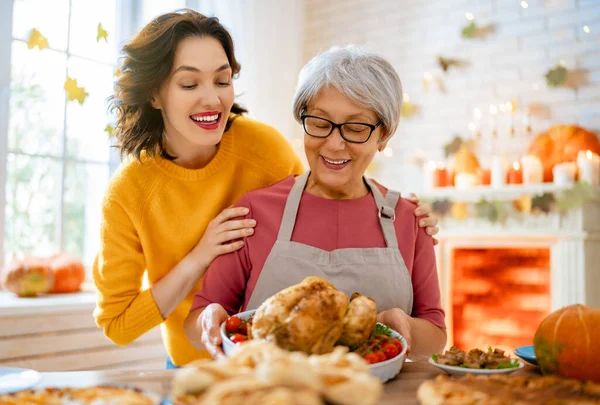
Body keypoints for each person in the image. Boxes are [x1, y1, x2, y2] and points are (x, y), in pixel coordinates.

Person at [93, 9, 439, 369]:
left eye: (222, 80)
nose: (211, 100)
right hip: (200, 361)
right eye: (189, 84)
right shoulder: (129, 192)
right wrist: (201, 255)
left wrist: (405, 219)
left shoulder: (263, 148)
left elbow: (319, 194)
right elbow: (118, 325)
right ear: (155, 94)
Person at [186, 45, 447, 360]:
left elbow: (435, 334)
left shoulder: (409, 219)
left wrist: (400, 325)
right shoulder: (255, 211)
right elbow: (198, 318)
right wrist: (209, 316)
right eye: (320, 124)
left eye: (355, 128)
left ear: (383, 135)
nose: (334, 145)